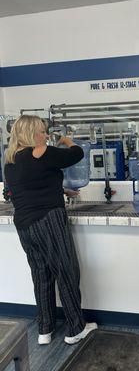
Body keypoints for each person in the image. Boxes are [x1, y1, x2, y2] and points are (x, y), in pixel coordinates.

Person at [4, 115, 97, 345]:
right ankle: (76, 328)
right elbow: (77, 155)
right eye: (42, 131)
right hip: (48, 220)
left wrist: (62, 190)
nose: (45, 135)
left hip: (25, 225)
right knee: (66, 272)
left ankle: (44, 329)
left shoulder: (11, 159)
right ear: (31, 133)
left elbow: (30, 185)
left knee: (41, 275)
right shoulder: (40, 151)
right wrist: (68, 140)